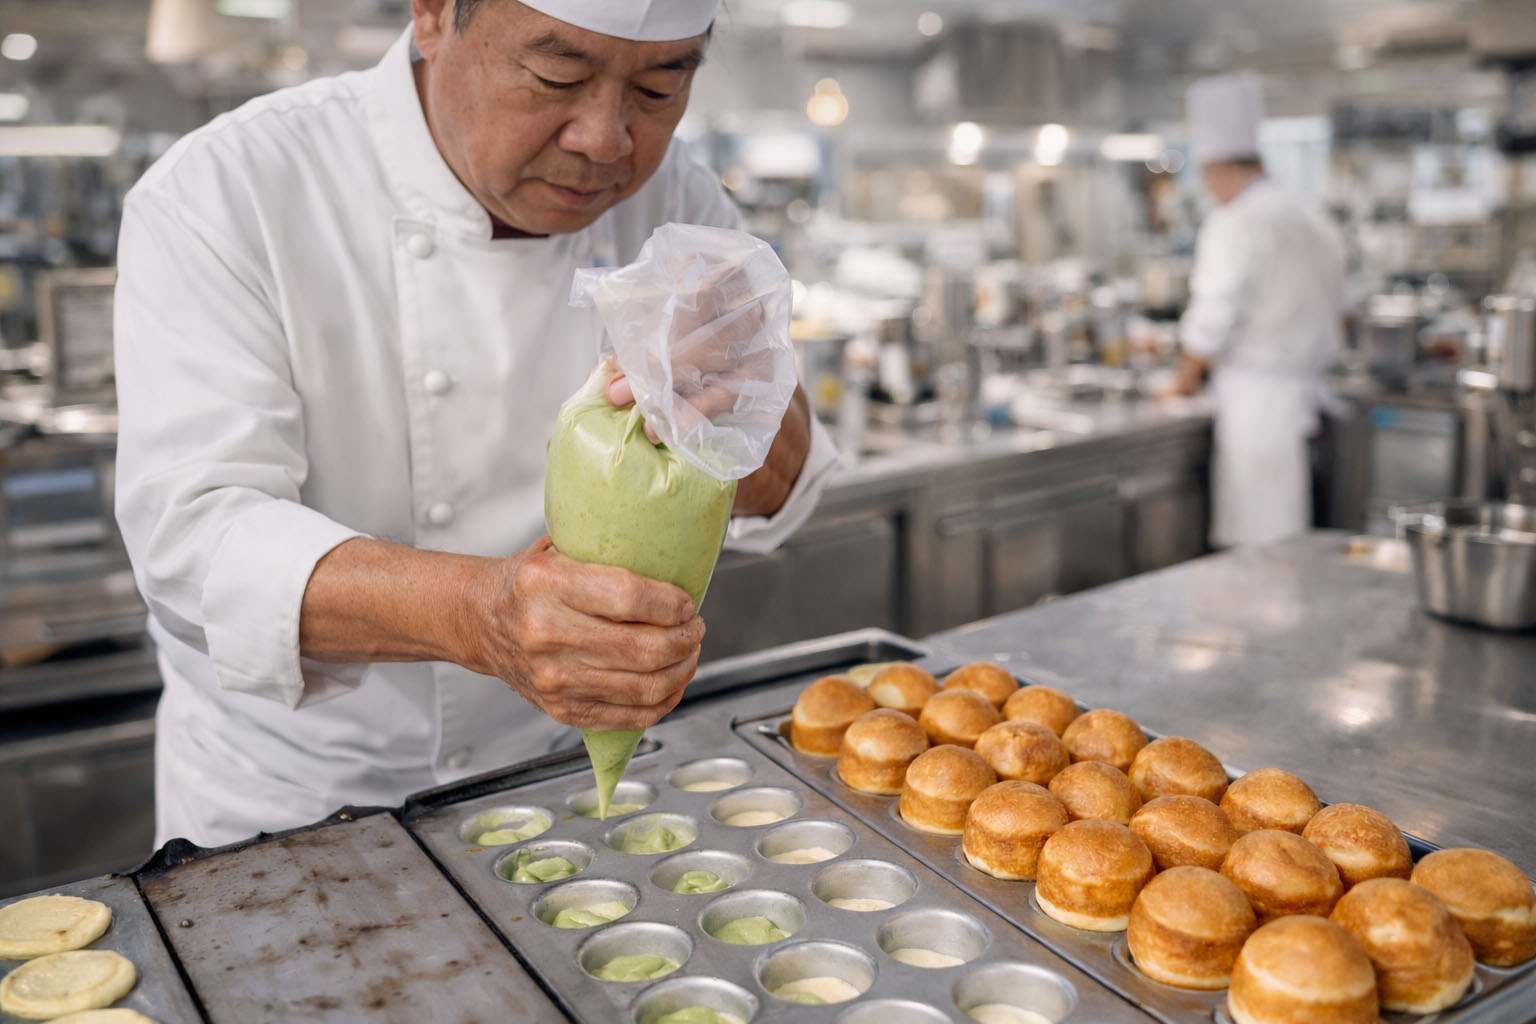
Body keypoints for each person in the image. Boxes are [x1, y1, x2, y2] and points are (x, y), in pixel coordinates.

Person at [112, 0, 838, 848]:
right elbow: (195, 543)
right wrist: (479, 613)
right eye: (556, 76)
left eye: (657, 87)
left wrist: (741, 401)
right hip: (291, 804)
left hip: (558, 786)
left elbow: (777, 489)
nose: (606, 140)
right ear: (430, 15)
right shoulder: (231, 190)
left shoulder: (681, 205)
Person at [1170, 72, 1347, 548]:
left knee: (1261, 554)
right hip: (1307, 403)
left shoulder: (1234, 223)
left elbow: (1211, 320)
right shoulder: (1310, 216)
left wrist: (1182, 382)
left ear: (1219, 168)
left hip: (1259, 408)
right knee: (1296, 548)